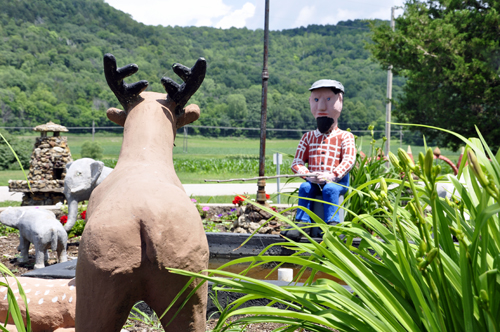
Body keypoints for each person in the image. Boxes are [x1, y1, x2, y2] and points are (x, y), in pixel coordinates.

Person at [281, 79, 356, 240]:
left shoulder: (345, 137)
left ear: (340, 101)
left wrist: (333, 175)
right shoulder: (307, 137)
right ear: (310, 102)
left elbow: (349, 160)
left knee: (330, 190)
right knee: (305, 188)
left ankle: (333, 225)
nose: (321, 107)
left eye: (328, 99)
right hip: (314, 181)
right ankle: (303, 223)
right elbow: (296, 163)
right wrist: (308, 175)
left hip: (337, 182)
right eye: (316, 100)